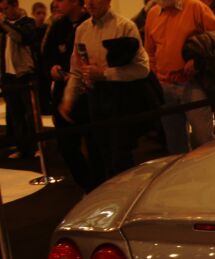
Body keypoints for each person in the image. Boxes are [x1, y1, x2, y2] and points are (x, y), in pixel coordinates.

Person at [58, 0, 150, 186]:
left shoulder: (125, 26)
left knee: (121, 155)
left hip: (120, 97)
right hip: (95, 99)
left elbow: (142, 69)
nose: (90, 3)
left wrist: (105, 74)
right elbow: (77, 70)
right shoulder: (82, 30)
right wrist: (68, 99)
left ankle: (128, 198)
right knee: (102, 154)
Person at [144, 0, 215, 154]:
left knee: (204, 140)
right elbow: (150, 52)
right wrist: (158, 76)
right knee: (175, 144)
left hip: (193, 83)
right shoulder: (153, 14)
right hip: (165, 86)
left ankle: (212, 174)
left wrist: (198, 60)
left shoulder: (195, 7)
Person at [42, 0, 92, 190]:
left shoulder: (89, 23)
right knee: (67, 147)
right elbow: (46, 57)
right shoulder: (57, 27)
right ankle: (86, 185)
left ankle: (99, 184)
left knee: (95, 145)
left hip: (88, 93)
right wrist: (51, 69)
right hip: (64, 94)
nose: (57, 4)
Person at [0, 0, 38, 159]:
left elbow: (21, 38)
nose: (3, 12)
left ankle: (37, 145)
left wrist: (3, 24)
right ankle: (22, 148)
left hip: (24, 75)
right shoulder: (3, 27)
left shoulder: (28, 23)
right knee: (15, 115)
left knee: (30, 115)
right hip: (8, 76)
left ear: (15, 5)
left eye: (5, 8)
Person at [31, 1, 51, 113]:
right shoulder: (30, 30)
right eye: (38, 13)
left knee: (45, 88)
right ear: (33, 14)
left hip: (44, 64)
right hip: (35, 64)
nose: (41, 16)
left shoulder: (47, 29)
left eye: (43, 13)